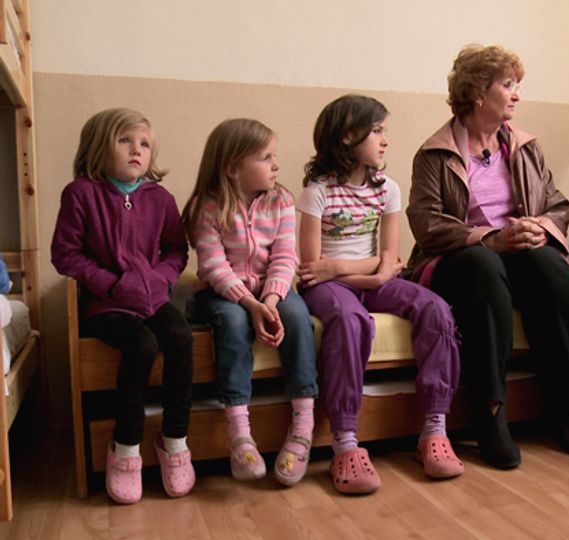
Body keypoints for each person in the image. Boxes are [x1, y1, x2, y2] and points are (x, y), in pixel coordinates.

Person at [406, 44, 569, 469]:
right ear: (477, 93)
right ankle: (490, 413)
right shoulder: (434, 153)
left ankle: (565, 407)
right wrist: (489, 238)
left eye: (517, 85)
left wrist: (537, 227)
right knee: (484, 265)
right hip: (460, 259)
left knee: (550, 267)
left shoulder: (525, 147)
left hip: (515, 252)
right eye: (508, 85)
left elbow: (557, 205)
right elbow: (427, 223)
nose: (517, 94)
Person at [298, 95, 463, 494]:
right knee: (349, 319)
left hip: (365, 277)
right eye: (376, 131)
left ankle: (434, 428)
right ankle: (345, 443)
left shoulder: (388, 189)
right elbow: (312, 267)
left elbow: (390, 257)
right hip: (329, 288)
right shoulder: (317, 191)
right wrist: (362, 273)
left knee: (436, 308)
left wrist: (347, 269)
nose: (385, 140)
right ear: (347, 137)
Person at [51, 108, 194, 504]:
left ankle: (175, 440)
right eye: (125, 140)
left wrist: (162, 279)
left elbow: (176, 250)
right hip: (106, 304)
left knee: (181, 337)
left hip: (153, 298)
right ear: (99, 147)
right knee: (142, 345)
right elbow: (66, 255)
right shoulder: (81, 193)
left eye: (144, 144)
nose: (137, 150)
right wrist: (113, 284)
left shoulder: (160, 198)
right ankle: (125, 447)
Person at [182, 118, 318, 486]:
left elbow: (285, 257)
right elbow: (213, 266)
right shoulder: (207, 206)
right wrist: (250, 304)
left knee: (296, 316)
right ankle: (240, 433)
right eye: (265, 158)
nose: (276, 165)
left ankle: (302, 426)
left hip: (270, 290)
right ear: (232, 167)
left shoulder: (282, 201)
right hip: (222, 292)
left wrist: (270, 300)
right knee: (233, 321)